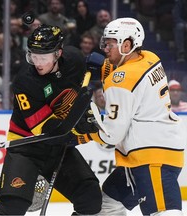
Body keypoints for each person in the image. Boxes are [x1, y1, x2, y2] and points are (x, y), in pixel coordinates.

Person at [77, 17, 187, 215]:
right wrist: (105, 68)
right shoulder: (150, 57)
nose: (105, 48)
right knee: (107, 205)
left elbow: (112, 135)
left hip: (152, 158)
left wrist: (84, 133)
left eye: (110, 44)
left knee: (164, 212)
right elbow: (128, 75)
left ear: (127, 45)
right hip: (149, 152)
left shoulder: (121, 80)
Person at [0, 24, 102, 215]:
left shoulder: (74, 60)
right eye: (33, 56)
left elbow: (83, 89)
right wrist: (79, 125)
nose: (38, 63)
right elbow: (49, 131)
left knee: (90, 197)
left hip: (59, 149)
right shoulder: (25, 81)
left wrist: (101, 71)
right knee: (12, 207)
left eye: (43, 57)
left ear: (58, 54)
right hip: (26, 147)